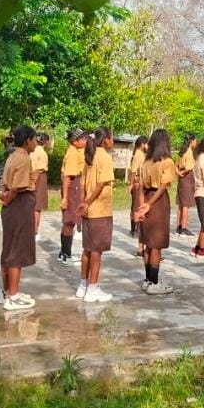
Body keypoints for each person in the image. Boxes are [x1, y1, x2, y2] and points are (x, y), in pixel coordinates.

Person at [0, 125, 39, 310]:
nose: (36, 143)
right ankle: (13, 296)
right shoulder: (23, 159)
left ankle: (7, 291)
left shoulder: (12, 156)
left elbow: (6, 183)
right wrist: (9, 199)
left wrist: (4, 195)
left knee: (8, 248)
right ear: (27, 141)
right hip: (19, 205)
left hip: (11, 205)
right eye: (34, 139)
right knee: (16, 250)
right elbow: (19, 186)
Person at [76, 127, 115, 302]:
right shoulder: (104, 157)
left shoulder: (89, 157)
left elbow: (83, 184)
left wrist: (84, 203)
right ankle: (92, 288)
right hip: (99, 210)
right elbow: (100, 185)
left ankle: (83, 285)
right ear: (106, 139)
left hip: (89, 210)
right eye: (111, 138)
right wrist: (88, 203)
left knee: (87, 249)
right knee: (97, 251)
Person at [136, 128, 177, 295]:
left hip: (146, 197)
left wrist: (142, 206)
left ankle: (147, 280)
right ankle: (154, 282)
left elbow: (140, 187)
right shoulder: (167, 162)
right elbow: (162, 186)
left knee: (147, 242)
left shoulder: (146, 163)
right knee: (156, 245)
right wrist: (150, 204)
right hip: (158, 203)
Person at [58, 129, 87, 264]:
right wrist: (65, 198)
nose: (85, 141)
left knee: (70, 220)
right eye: (82, 139)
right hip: (72, 186)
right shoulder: (72, 154)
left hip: (75, 184)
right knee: (69, 220)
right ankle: (66, 254)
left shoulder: (75, 151)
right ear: (75, 141)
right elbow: (67, 176)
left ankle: (64, 252)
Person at [128, 136, 149, 256]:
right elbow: (133, 171)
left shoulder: (140, 154)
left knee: (135, 206)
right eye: (146, 144)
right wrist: (131, 184)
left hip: (139, 183)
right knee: (136, 207)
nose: (147, 146)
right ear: (142, 144)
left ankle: (135, 229)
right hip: (138, 184)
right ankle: (135, 228)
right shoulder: (139, 155)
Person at [175, 133, 197, 236]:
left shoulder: (181, 152)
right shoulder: (189, 152)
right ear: (191, 141)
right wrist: (183, 173)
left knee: (180, 204)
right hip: (187, 179)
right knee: (186, 205)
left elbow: (175, 165)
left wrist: (178, 173)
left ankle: (178, 227)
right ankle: (184, 227)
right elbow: (188, 168)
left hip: (181, 180)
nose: (196, 143)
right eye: (195, 140)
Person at [31, 133, 51, 240]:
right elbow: (39, 169)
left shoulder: (33, 150)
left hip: (31, 176)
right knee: (37, 207)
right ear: (45, 142)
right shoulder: (42, 153)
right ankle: (35, 231)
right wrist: (34, 182)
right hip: (39, 178)